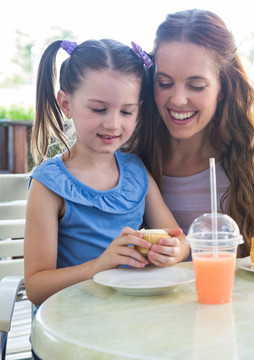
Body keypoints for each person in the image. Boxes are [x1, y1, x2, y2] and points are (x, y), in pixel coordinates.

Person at [126, 9, 254, 258]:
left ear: (223, 89)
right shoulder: (128, 162)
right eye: (165, 83)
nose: (178, 99)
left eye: (196, 85)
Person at [24, 39, 190, 306]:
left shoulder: (137, 172)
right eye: (98, 109)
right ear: (66, 104)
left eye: (126, 111)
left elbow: (179, 239)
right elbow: (36, 287)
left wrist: (174, 252)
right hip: (71, 329)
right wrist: (100, 266)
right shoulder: (48, 185)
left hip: (132, 320)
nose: (113, 124)